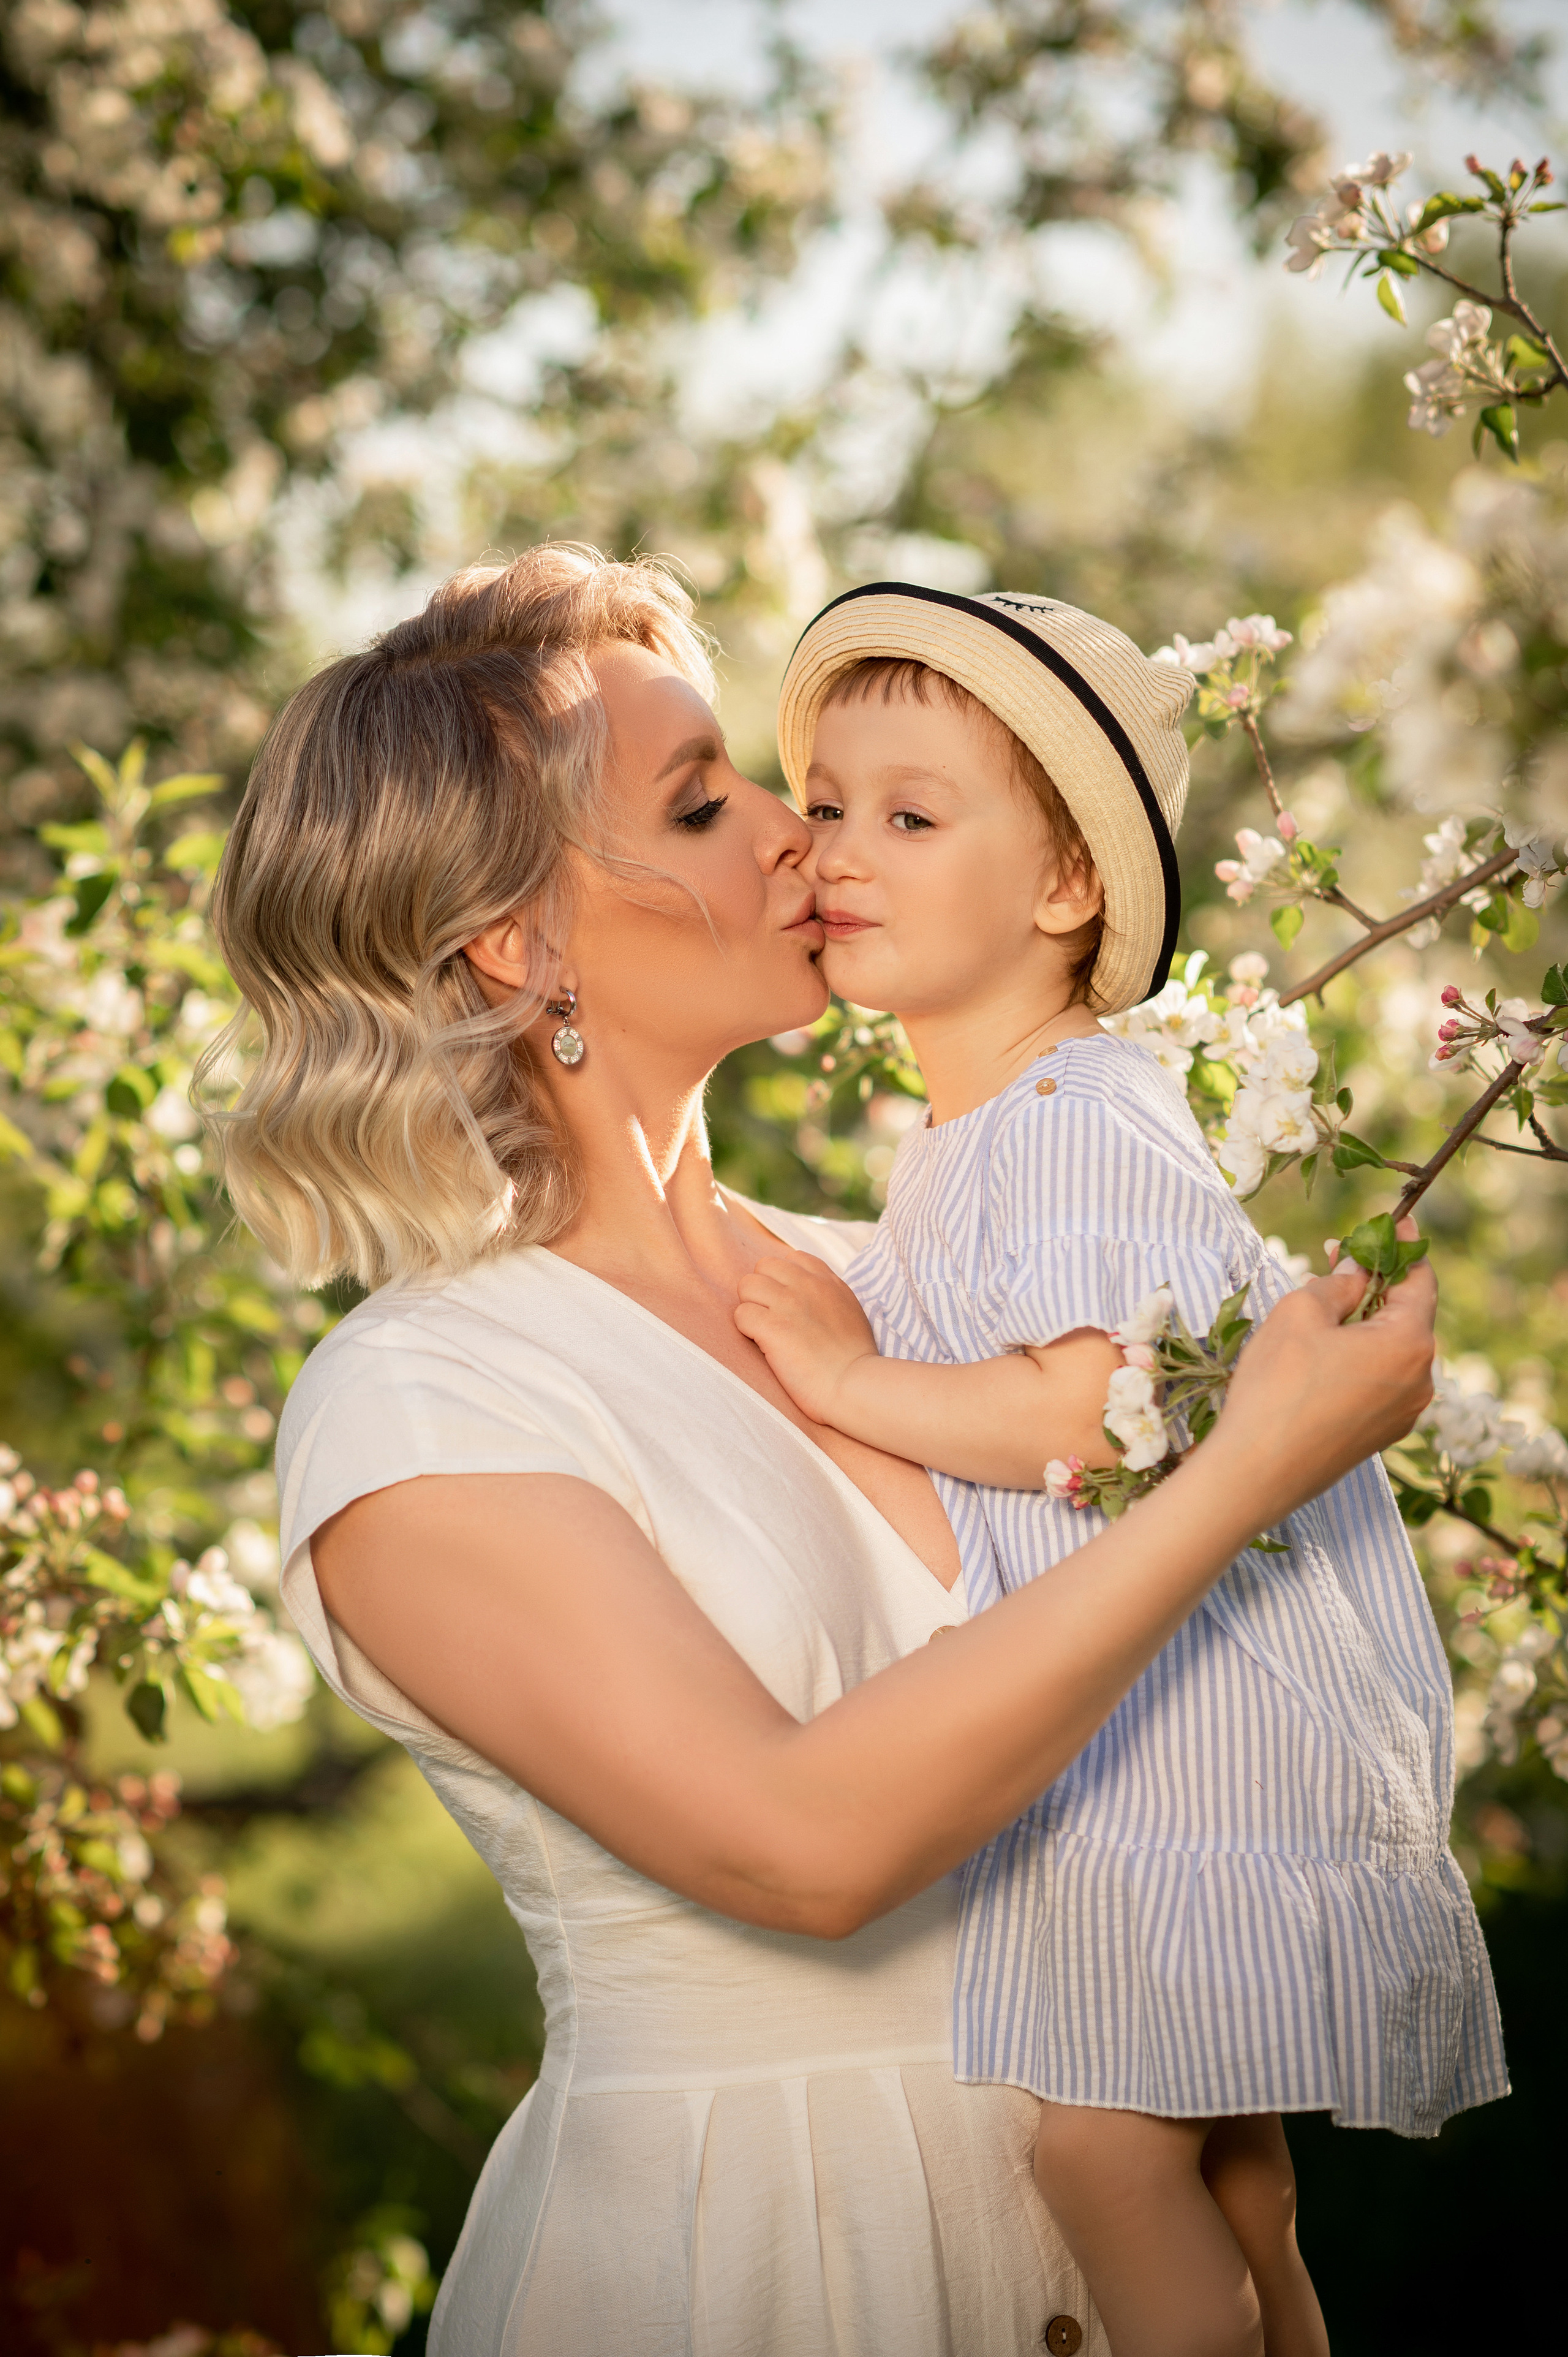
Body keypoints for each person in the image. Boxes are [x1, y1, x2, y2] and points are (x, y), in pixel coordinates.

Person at [206, 545, 1440, 2357]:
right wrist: (1244, 1471)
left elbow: (1168, 1749)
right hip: (760, 2259)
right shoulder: (428, 1406)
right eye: (705, 804)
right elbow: (801, 1848)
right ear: (516, 943)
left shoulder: (896, 1279)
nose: (800, 835)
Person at [730, 583, 1508, 2357]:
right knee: (1226, 2166)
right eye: (829, 806)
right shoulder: (993, 1129)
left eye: (914, 817)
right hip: (1186, 1702)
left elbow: (1083, 1412)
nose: (840, 851)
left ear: (1068, 885)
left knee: (1096, 2152)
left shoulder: (1072, 1116)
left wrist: (853, 1375)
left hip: (1195, 1722)